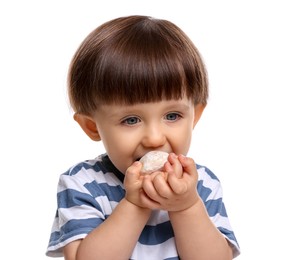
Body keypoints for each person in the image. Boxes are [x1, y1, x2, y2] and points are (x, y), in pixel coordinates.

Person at [46, 15, 240, 260]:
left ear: (195, 117)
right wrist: (135, 205)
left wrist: (187, 206)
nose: (155, 139)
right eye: (131, 120)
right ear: (92, 126)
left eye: (172, 115)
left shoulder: (202, 184)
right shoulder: (83, 183)